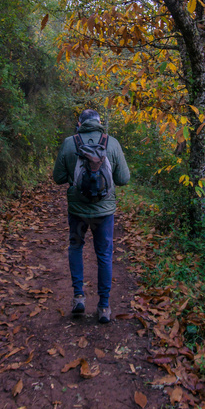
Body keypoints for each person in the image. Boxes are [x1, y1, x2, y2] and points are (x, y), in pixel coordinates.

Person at [52, 109, 130, 323]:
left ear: (79, 123)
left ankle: (79, 297)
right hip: (104, 213)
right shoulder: (111, 142)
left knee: (76, 247)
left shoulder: (70, 143)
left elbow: (57, 178)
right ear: (99, 123)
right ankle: (104, 307)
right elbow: (124, 179)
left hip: (77, 210)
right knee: (104, 255)